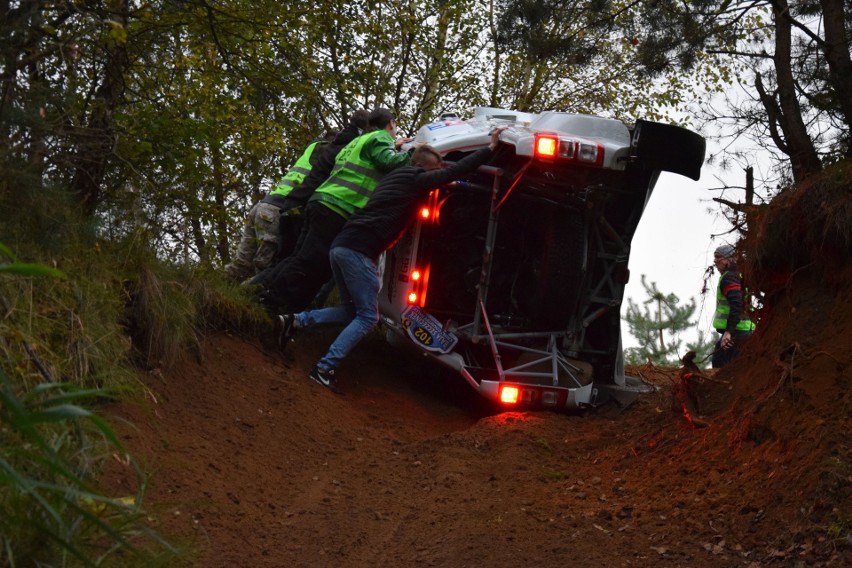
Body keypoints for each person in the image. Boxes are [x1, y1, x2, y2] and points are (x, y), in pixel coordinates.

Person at [280, 127, 504, 393]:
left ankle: (294, 320)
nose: (435, 177)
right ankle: (324, 368)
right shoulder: (417, 178)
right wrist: (489, 149)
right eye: (434, 171)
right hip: (358, 251)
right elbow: (454, 172)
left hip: (341, 246)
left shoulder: (394, 176)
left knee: (353, 312)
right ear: (423, 167)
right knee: (368, 317)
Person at [255, 108, 412, 314]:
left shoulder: (360, 140)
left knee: (299, 258)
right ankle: (270, 302)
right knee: (312, 264)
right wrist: (413, 152)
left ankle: (259, 291)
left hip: (321, 202)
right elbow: (388, 161)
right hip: (337, 208)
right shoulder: (380, 138)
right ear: (391, 123)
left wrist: (394, 146)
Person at [224, 131, 335, 282]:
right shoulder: (325, 151)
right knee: (265, 265)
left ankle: (218, 290)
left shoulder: (311, 149)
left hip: (263, 206)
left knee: (241, 263)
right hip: (277, 209)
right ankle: (250, 300)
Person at [711, 243, 756, 368]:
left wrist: (728, 332)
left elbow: (737, 304)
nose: (715, 261)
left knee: (721, 367)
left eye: (718, 257)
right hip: (745, 330)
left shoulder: (729, 277)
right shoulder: (740, 275)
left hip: (737, 332)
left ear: (728, 259)